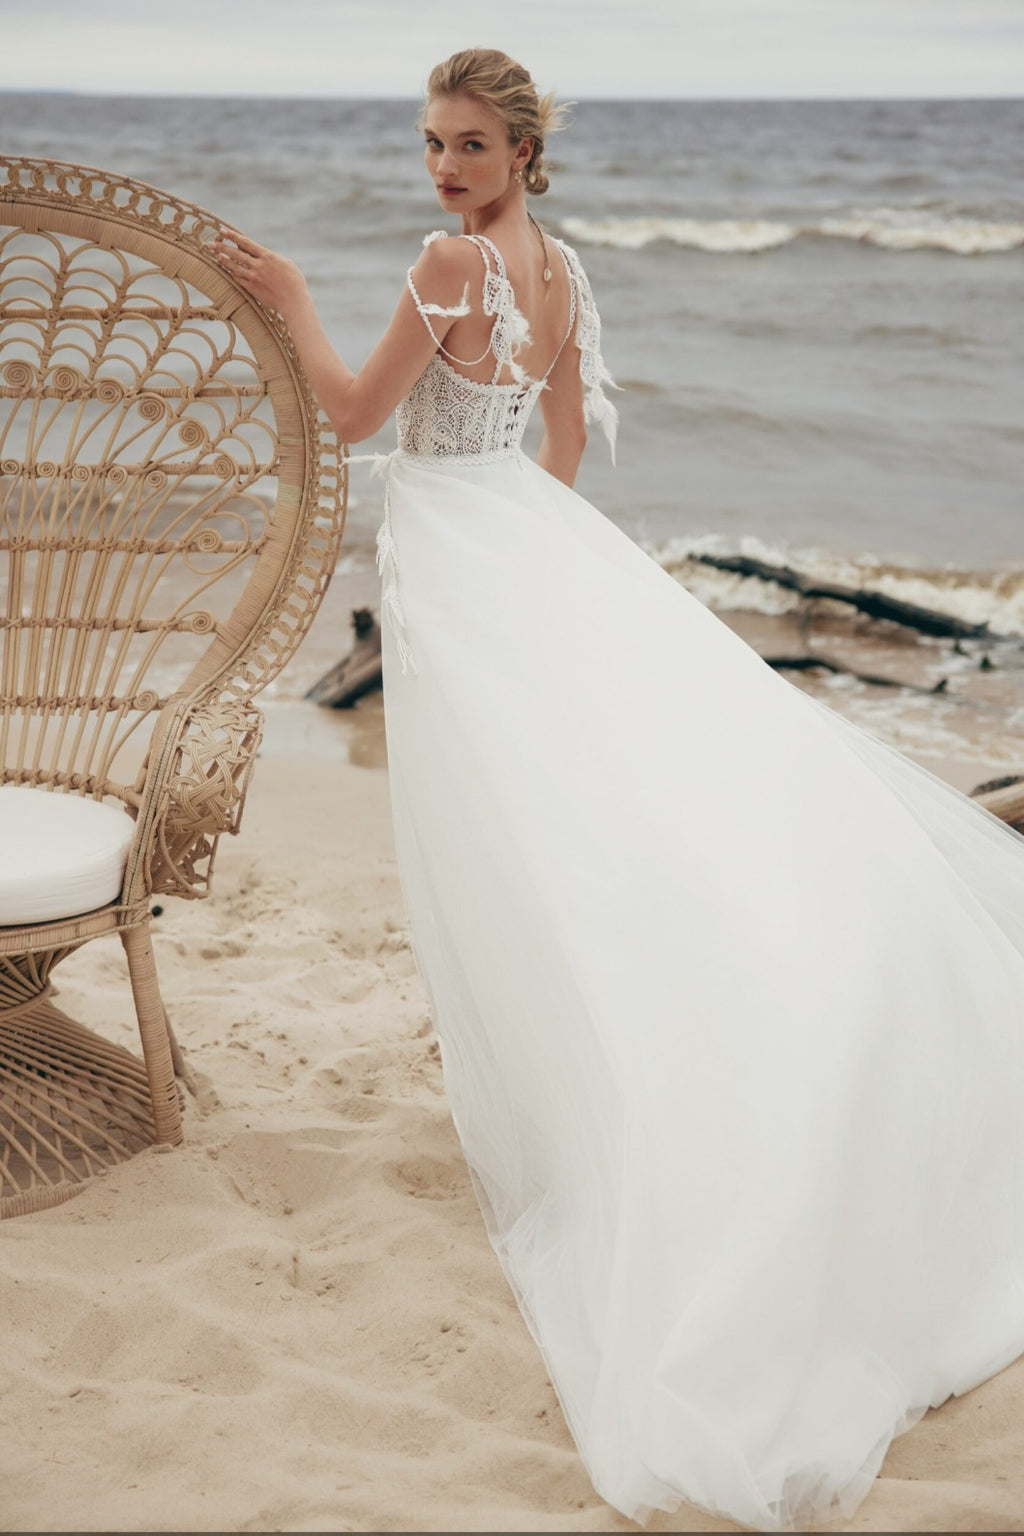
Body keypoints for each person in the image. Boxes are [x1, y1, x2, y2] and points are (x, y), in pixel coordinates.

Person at [212, 48, 1024, 1534]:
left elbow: (349, 417)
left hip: (466, 564)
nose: (444, 167)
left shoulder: (454, 260)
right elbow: (563, 444)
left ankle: (592, 1118)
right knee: (584, 835)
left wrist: (290, 301)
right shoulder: (561, 266)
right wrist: (549, 571)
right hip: (525, 546)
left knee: (517, 854)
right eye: (431, 144)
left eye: (468, 143)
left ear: (521, 148)